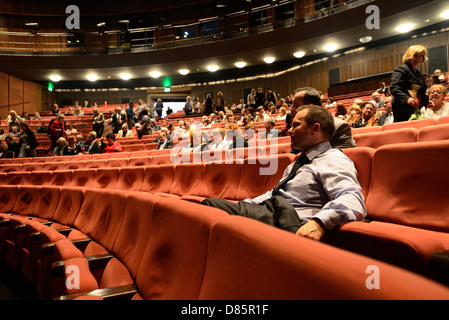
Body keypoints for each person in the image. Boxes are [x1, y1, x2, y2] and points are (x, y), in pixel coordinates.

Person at [201, 105, 366, 240]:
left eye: (296, 125)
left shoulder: (333, 158)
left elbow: (352, 198)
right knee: (210, 210)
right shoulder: (298, 162)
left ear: (315, 129)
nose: (289, 131)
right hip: (273, 212)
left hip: (291, 222)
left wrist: (319, 223)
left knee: (211, 207)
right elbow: (273, 194)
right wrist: (244, 205)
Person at [291, 87, 356, 150]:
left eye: (295, 104)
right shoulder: (297, 129)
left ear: (310, 107)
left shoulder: (339, 127)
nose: (291, 108)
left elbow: (342, 157)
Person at [390, 45, 429, 122]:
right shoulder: (402, 69)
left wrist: (428, 101)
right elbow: (394, 88)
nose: (418, 58)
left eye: (421, 56)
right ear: (409, 56)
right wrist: (407, 99)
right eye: (415, 56)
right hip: (403, 109)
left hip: (416, 108)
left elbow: (422, 92)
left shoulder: (419, 74)